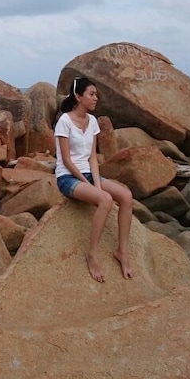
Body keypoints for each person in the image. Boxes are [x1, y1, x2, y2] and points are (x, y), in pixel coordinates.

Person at [54, 76, 135, 282]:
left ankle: (122, 252)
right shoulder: (64, 121)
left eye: (96, 94)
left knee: (125, 196)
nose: (95, 98)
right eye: (91, 94)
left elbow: (92, 157)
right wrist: (89, 184)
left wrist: (97, 184)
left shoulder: (92, 122)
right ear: (78, 97)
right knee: (105, 200)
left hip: (89, 174)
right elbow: (66, 160)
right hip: (67, 177)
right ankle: (92, 253)